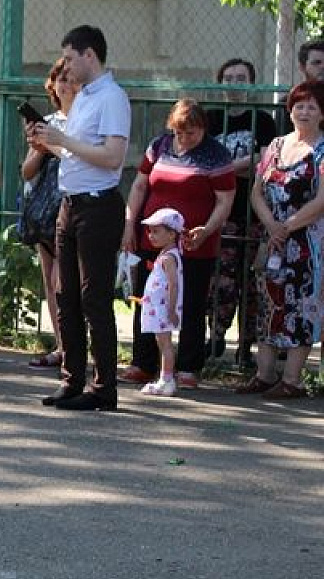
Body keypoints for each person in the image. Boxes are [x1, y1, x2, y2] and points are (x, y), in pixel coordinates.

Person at [28, 25, 131, 412]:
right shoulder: (85, 97)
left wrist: (63, 140)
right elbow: (77, 154)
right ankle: (71, 380)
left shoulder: (112, 98)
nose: (66, 66)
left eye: (70, 58)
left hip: (98, 206)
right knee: (65, 294)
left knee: (93, 297)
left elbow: (112, 157)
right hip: (70, 204)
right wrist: (50, 143)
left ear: (90, 55)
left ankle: (104, 387)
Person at [119, 99, 235, 391]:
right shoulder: (159, 146)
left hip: (194, 244)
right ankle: (143, 363)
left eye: (191, 133)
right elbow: (140, 185)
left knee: (192, 302)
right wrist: (130, 223)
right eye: (179, 132)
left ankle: (187, 366)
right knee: (148, 298)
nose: (183, 138)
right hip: (153, 239)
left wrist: (207, 230)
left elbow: (225, 200)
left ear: (203, 129)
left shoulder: (216, 155)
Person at [235, 81, 324, 399]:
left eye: (312, 106)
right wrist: (272, 226)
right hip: (272, 239)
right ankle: (264, 374)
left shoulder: (322, 150)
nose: (304, 111)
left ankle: (292, 380)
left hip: (306, 241)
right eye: (299, 105)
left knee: (301, 306)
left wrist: (287, 227)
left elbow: (321, 200)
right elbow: (257, 192)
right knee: (267, 304)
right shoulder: (275, 145)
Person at [206, 58, 279, 364]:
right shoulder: (210, 118)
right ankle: (215, 336)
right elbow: (202, 163)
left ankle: (246, 346)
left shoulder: (262, 120)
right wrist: (237, 168)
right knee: (221, 279)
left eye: (241, 79)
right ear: (220, 82)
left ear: (252, 84)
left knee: (251, 283)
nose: (234, 84)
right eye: (229, 78)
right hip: (219, 211)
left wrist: (223, 169)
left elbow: (264, 163)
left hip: (252, 211)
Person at [21, 58, 80, 370]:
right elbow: (27, 171)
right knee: (49, 277)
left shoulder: (86, 121)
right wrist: (39, 148)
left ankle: (76, 346)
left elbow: (79, 160)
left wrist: (55, 146)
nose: (66, 85)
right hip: (46, 207)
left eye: (72, 79)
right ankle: (61, 346)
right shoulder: (48, 122)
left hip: (74, 203)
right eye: (61, 79)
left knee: (67, 279)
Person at [135, 209, 186, 396]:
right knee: (162, 342)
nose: (151, 235)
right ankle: (164, 378)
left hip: (164, 308)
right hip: (158, 307)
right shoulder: (165, 255)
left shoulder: (169, 257)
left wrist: (171, 309)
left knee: (165, 344)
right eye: (150, 231)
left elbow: (173, 284)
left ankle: (167, 379)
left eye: (156, 231)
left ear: (172, 234)